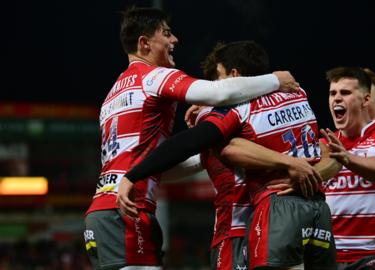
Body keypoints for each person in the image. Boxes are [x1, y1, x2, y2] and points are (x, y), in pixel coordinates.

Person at [83, 7, 300, 270]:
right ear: (144, 43)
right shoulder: (152, 76)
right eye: (166, 33)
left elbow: (155, 170)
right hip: (128, 211)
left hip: (100, 213)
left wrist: (205, 154)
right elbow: (218, 93)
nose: (175, 40)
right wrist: (274, 80)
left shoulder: (112, 95)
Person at [118, 41, 340, 270]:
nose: (215, 89)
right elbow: (327, 153)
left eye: (218, 79)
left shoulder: (236, 109)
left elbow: (194, 144)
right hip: (312, 209)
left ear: (234, 75)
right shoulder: (298, 94)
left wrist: (134, 174)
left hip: (244, 225)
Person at [321, 67, 375, 269]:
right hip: (327, 255)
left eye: (345, 93)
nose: (336, 98)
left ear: (365, 99)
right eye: (332, 93)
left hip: (374, 255)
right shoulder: (324, 145)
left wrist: (347, 158)